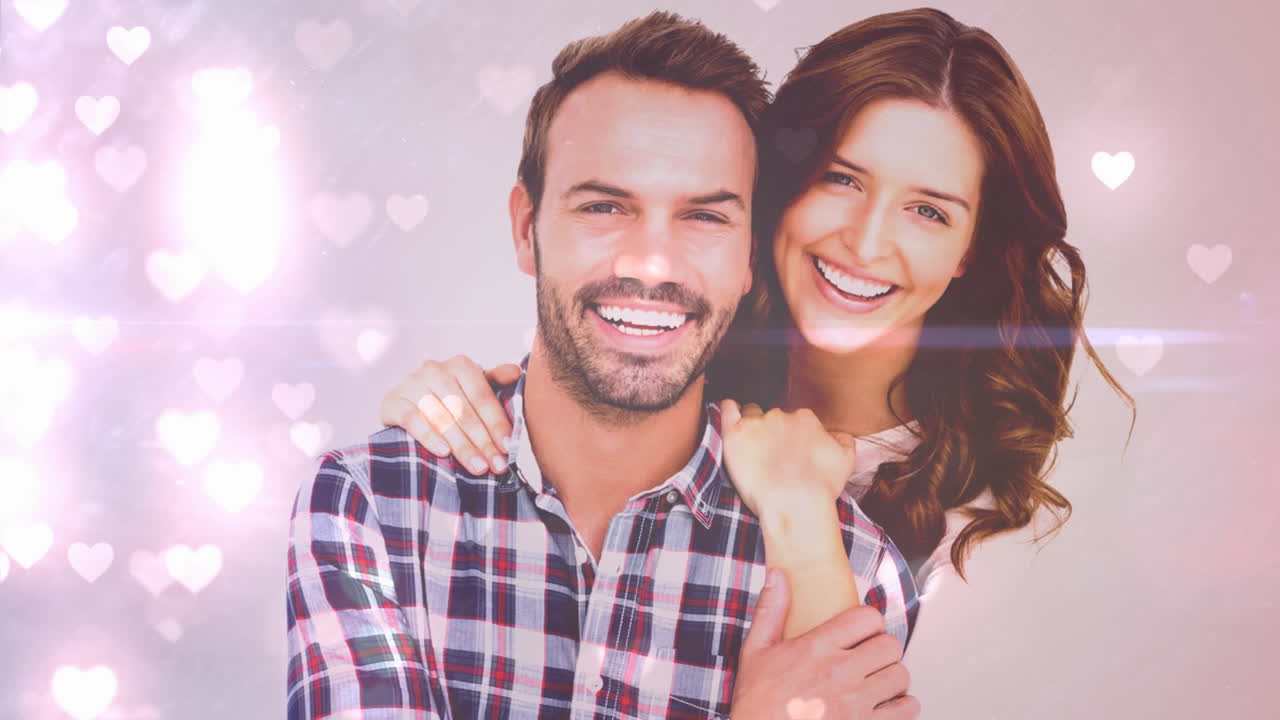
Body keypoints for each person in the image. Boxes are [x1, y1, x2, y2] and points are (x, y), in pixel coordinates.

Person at [377, 6, 1136, 644]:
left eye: (928, 210)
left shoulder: (992, 533)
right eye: (842, 178)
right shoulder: (672, 371)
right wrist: (455, 410)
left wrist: (803, 514)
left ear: (972, 249)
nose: (867, 244)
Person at [287, 11, 921, 720]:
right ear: (527, 229)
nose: (652, 263)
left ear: (749, 256)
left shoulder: (849, 572)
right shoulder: (373, 505)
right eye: (605, 206)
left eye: (705, 217)